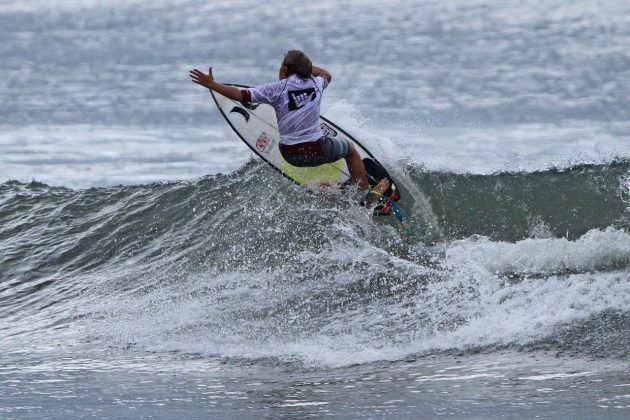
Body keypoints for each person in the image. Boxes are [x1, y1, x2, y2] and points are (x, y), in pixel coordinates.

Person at [189, 50, 390, 206]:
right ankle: (362, 192)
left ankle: (349, 193)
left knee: (321, 167)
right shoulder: (317, 83)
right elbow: (327, 74)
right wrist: (307, 68)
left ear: (285, 70)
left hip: (290, 154)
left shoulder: (276, 89)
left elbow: (240, 95)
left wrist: (212, 84)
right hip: (317, 147)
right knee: (350, 149)